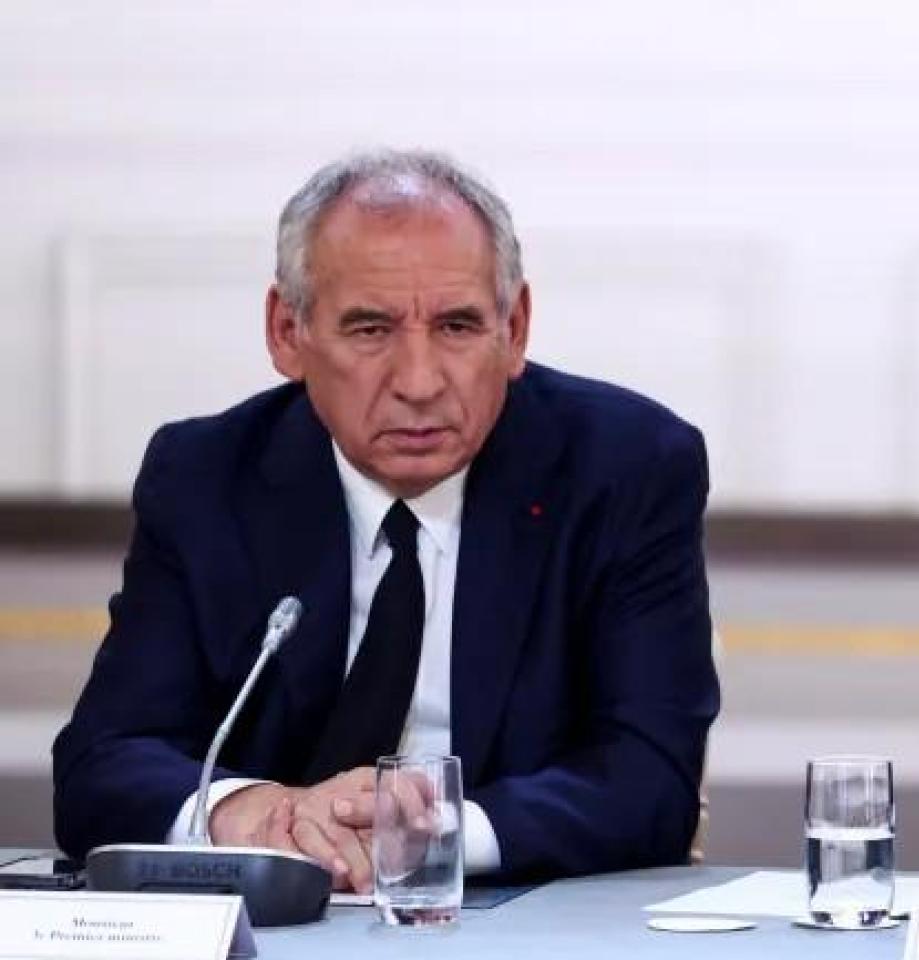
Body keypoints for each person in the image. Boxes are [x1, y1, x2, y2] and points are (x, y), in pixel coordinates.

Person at [53, 150, 720, 889]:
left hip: (518, 914)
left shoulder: (625, 469)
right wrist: (252, 814)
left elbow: (649, 777)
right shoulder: (208, 478)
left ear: (517, 327)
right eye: (370, 330)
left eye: (459, 327)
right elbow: (101, 764)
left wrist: (422, 837)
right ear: (287, 332)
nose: (420, 382)